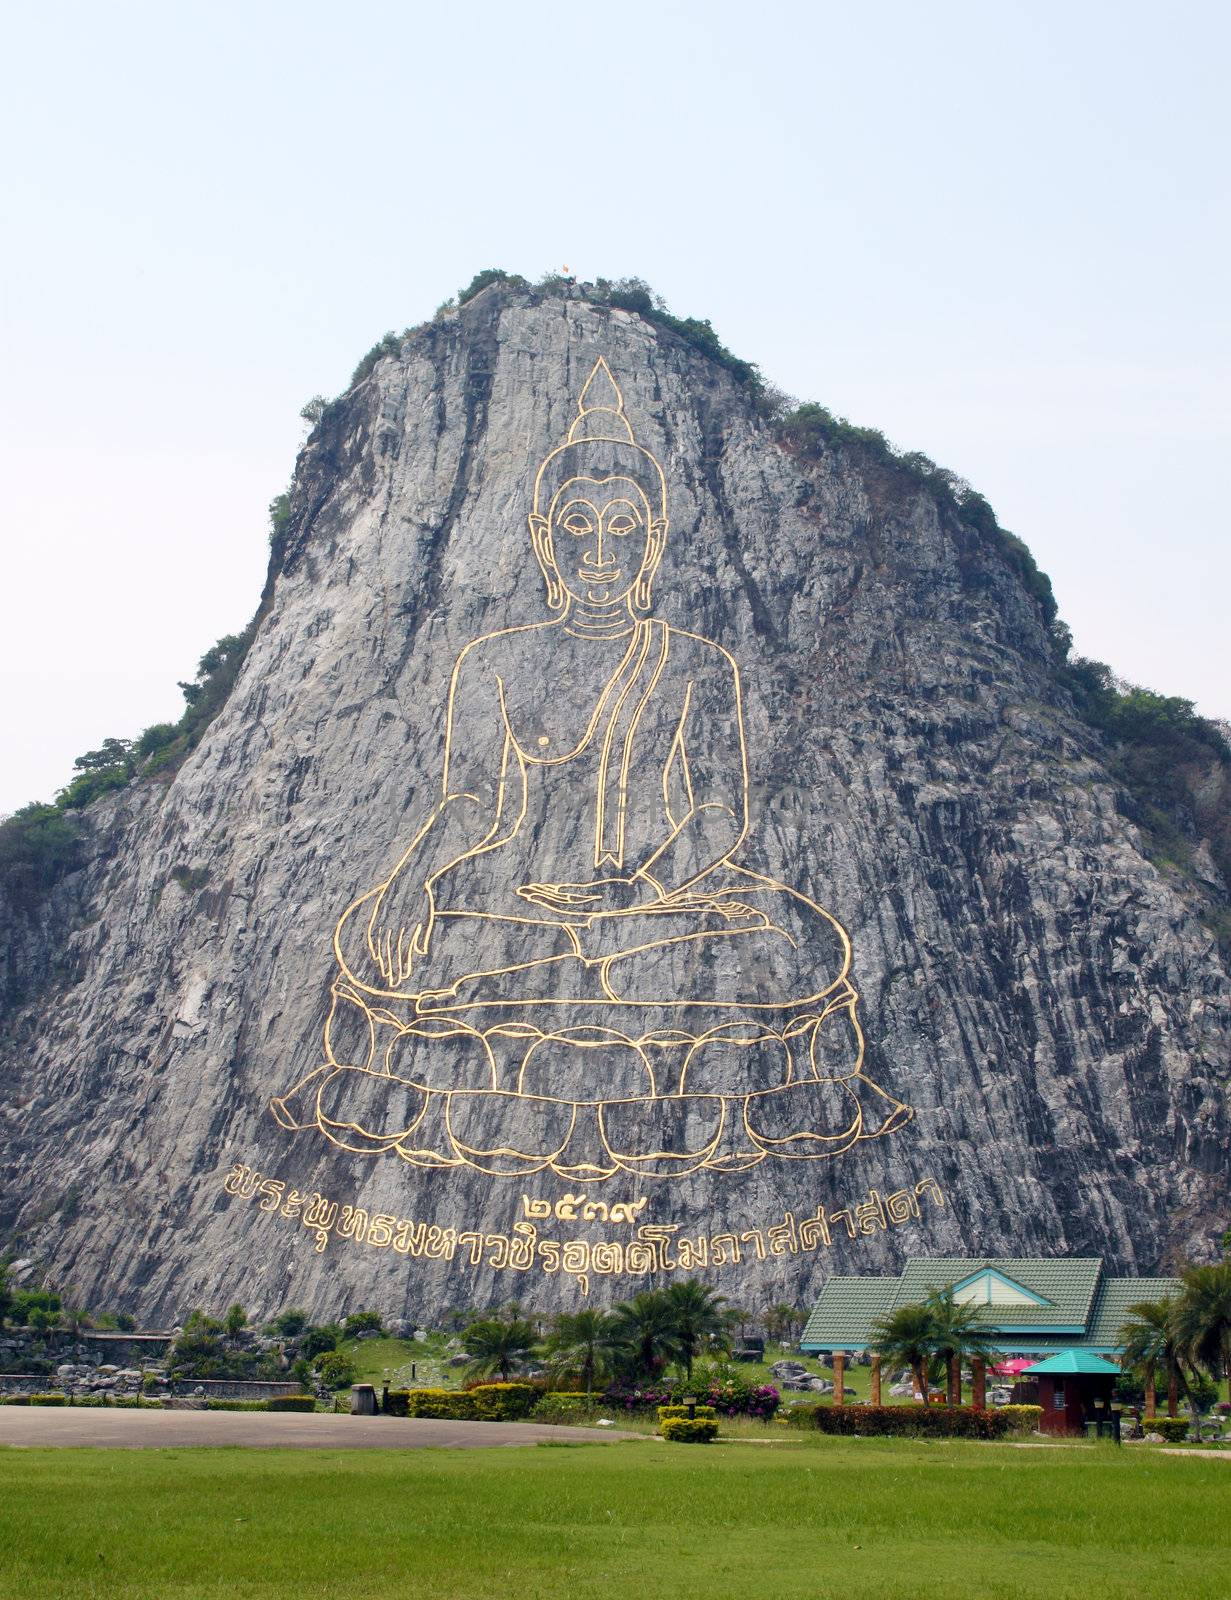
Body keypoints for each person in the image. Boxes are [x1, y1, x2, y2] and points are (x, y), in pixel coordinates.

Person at [271, 359, 911, 1179]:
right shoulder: (494, 659)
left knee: (798, 944)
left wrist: (638, 893)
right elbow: (471, 800)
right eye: (577, 525)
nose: (599, 552)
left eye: (622, 527)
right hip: (519, 904)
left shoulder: (695, 662)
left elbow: (718, 812)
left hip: (660, 905)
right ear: (543, 537)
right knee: (391, 937)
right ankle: (577, 990)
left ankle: (563, 993)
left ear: (653, 541)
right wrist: (410, 876)